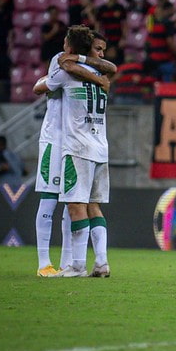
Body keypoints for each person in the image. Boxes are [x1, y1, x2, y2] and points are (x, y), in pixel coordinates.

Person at [32, 31, 116, 277]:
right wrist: (97, 77)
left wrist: (72, 62)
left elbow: (45, 82)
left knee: (74, 205)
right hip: (85, 144)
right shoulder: (100, 75)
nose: (101, 55)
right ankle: (49, 263)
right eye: (98, 49)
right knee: (81, 203)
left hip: (75, 145)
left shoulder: (67, 70)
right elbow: (42, 83)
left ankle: (74, 264)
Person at [145, 1, 176, 82]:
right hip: (165, 61)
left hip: (153, 61)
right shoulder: (168, 23)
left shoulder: (152, 24)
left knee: (154, 87)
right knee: (167, 88)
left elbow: (147, 42)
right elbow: (170, 42)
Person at [96, 0, 127, 65]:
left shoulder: (120, 8)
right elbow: (98, 25)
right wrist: (97, 38)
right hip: (107, 39)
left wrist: (123, 38)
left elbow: (124, 24)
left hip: (118, 39)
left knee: (119, 61)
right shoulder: (102, 9)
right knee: (107, 61)